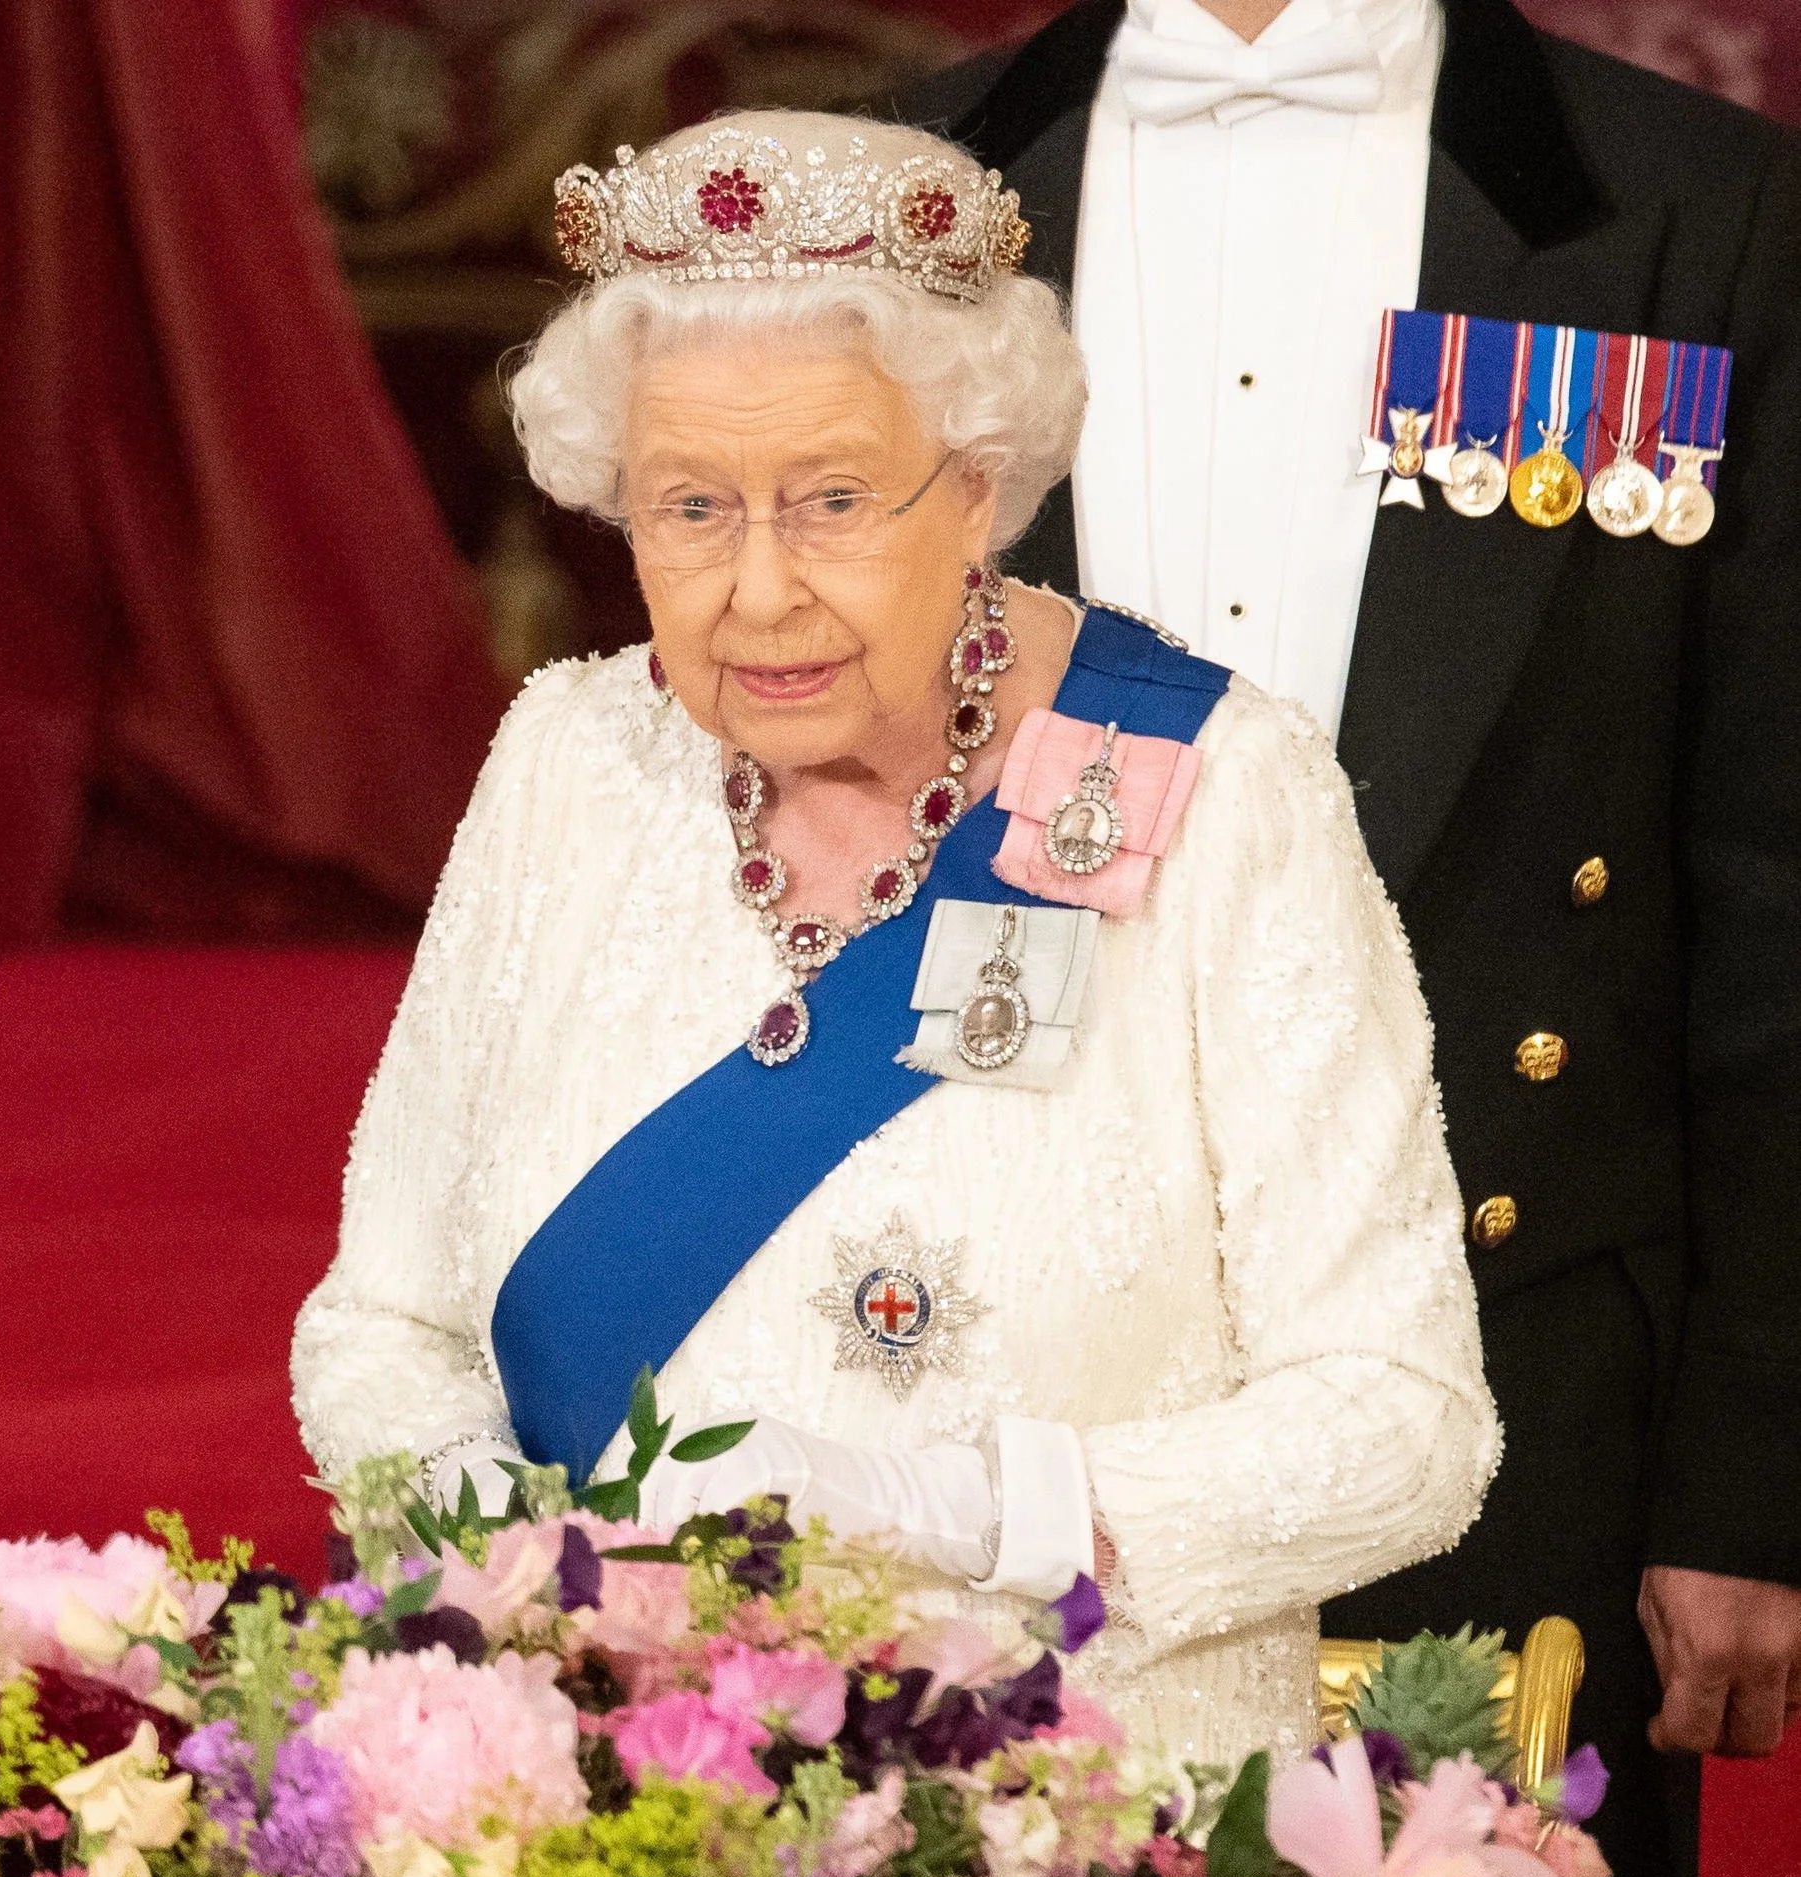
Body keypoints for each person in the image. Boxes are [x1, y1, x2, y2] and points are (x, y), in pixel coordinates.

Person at [290, 111, 1499, 1767]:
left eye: (836, 499)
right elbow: (385, 1329)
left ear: (981, 490)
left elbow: (1405, 1421)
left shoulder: (1221, 788)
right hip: (622, 1811)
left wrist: (978, 1513)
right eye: (688, 509)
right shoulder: (566, 760)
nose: (759, 591)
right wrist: (507, 1560)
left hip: (1089, 1837)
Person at [899, 0, 1801, 1877]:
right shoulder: (899, 198)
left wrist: (1747, 1476)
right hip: (974, 1349)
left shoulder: (1693, 212)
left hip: (1505, 1366)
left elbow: (1773, 884)